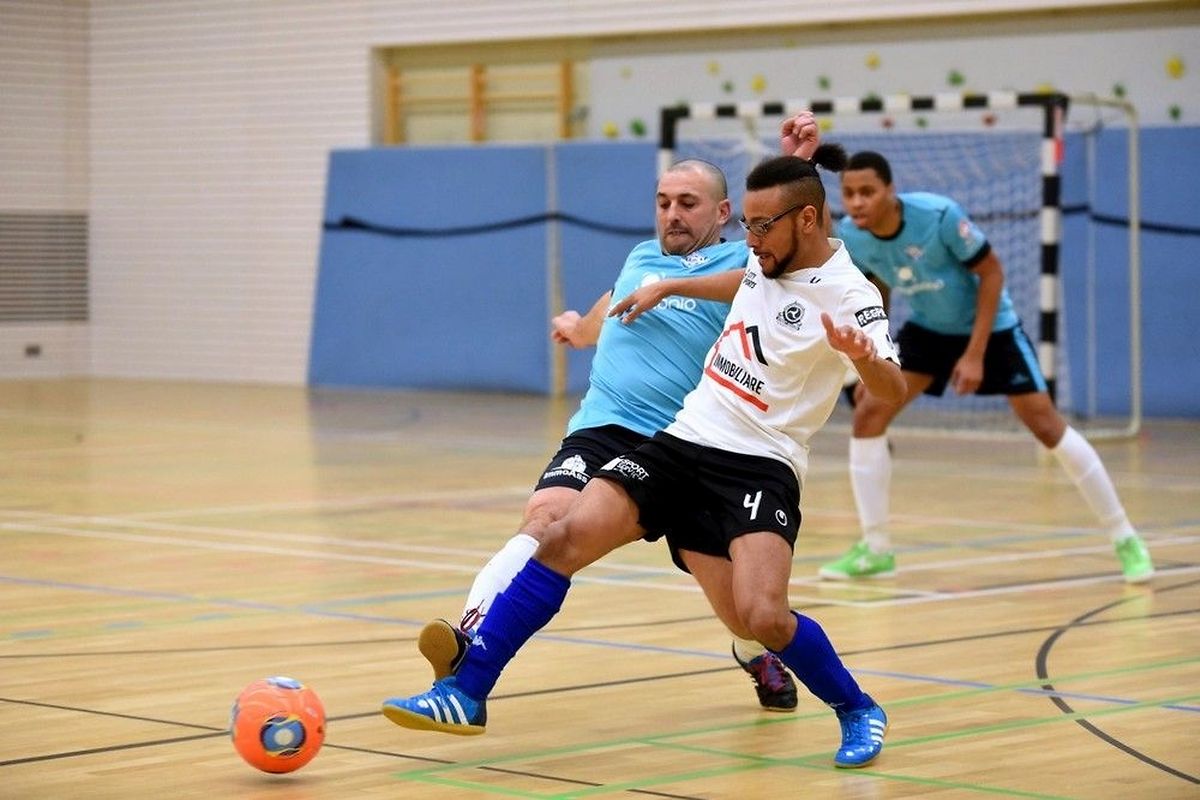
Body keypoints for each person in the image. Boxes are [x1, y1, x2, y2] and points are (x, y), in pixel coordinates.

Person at [382, 150, 907, 769]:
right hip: (686, 440)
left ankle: (857, 708)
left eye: (764, 228)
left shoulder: (852, 295)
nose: (752, 242)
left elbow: (893, 388)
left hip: (760, 466)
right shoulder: (763, 261)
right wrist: (673, 284)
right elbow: (741, 281)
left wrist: (865, 358)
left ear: (811, 222)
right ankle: (466, 692)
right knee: (563, 535)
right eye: (749, 227)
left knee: (761, 617)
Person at [414, 113, 828, 714]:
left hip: (687, 449)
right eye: (662, 202)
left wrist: (803, 166)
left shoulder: (751, 267)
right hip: (605, 431)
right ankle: (469, 639)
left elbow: (802, 249)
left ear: (722, 213)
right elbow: (615, 301)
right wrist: (579, 329)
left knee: (746, 612)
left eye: (688, 203)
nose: (671, 214)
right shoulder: (640, 255)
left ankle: (754, 652)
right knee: (547, 520)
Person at [819, 150, 1154, 583]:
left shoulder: (940, 216)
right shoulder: (854, 237)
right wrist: (878, 358)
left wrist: (974, 354)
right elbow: (876, 287)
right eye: (849, 193)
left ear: (890, 190)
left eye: (868, 191)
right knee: (868, 414)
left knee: (1046, 426)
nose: (858, 201)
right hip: (929, 328)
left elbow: (992, 274)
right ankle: (876, 548)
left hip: (991, 328)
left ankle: (1124, 536)